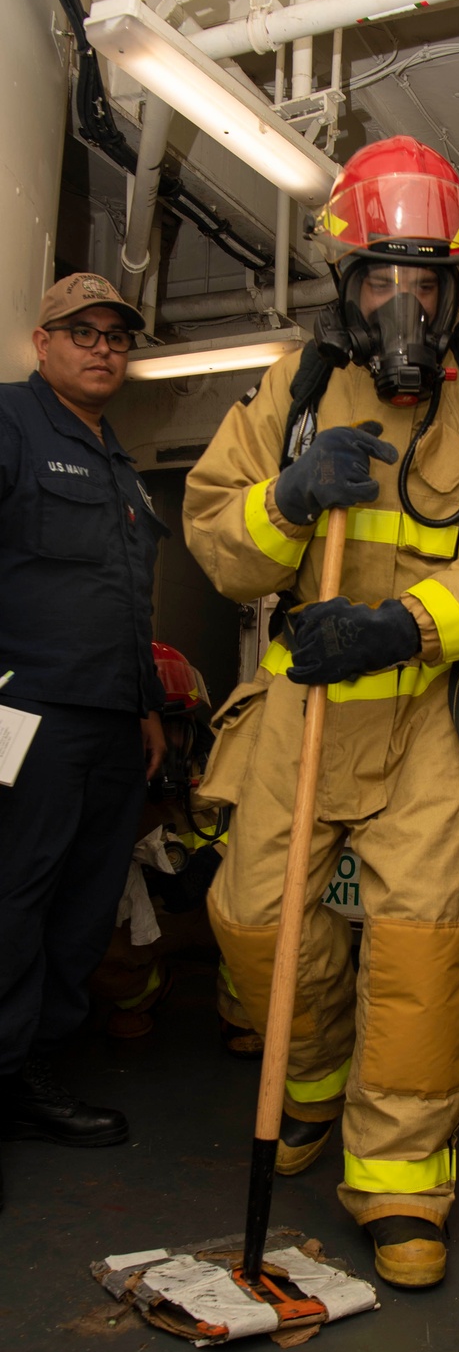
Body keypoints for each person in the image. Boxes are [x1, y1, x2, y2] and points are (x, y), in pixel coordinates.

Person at [183, 136, 459, 1289]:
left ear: (451, 290)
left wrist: (403, 626)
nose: (402, 304)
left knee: (421, 958)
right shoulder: (292, 388)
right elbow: (217, 543)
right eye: (379, 280)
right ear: (347, 287)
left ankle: (398, 1180)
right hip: (304, 708)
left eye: (424, 282)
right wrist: (286, 501)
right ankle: (314, 1079)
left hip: (429, 714)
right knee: (247, 919)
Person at [0, 272, 166, 1210]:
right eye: (83, 332)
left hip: (108, 721)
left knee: (80, 907)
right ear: (42, 342)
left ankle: (27, 1077)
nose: (103, 347)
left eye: (116, 336)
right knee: (12, 902)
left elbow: (123, 605)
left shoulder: (118, 465)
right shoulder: (10, 424)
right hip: (27, 719)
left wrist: (144, 703)